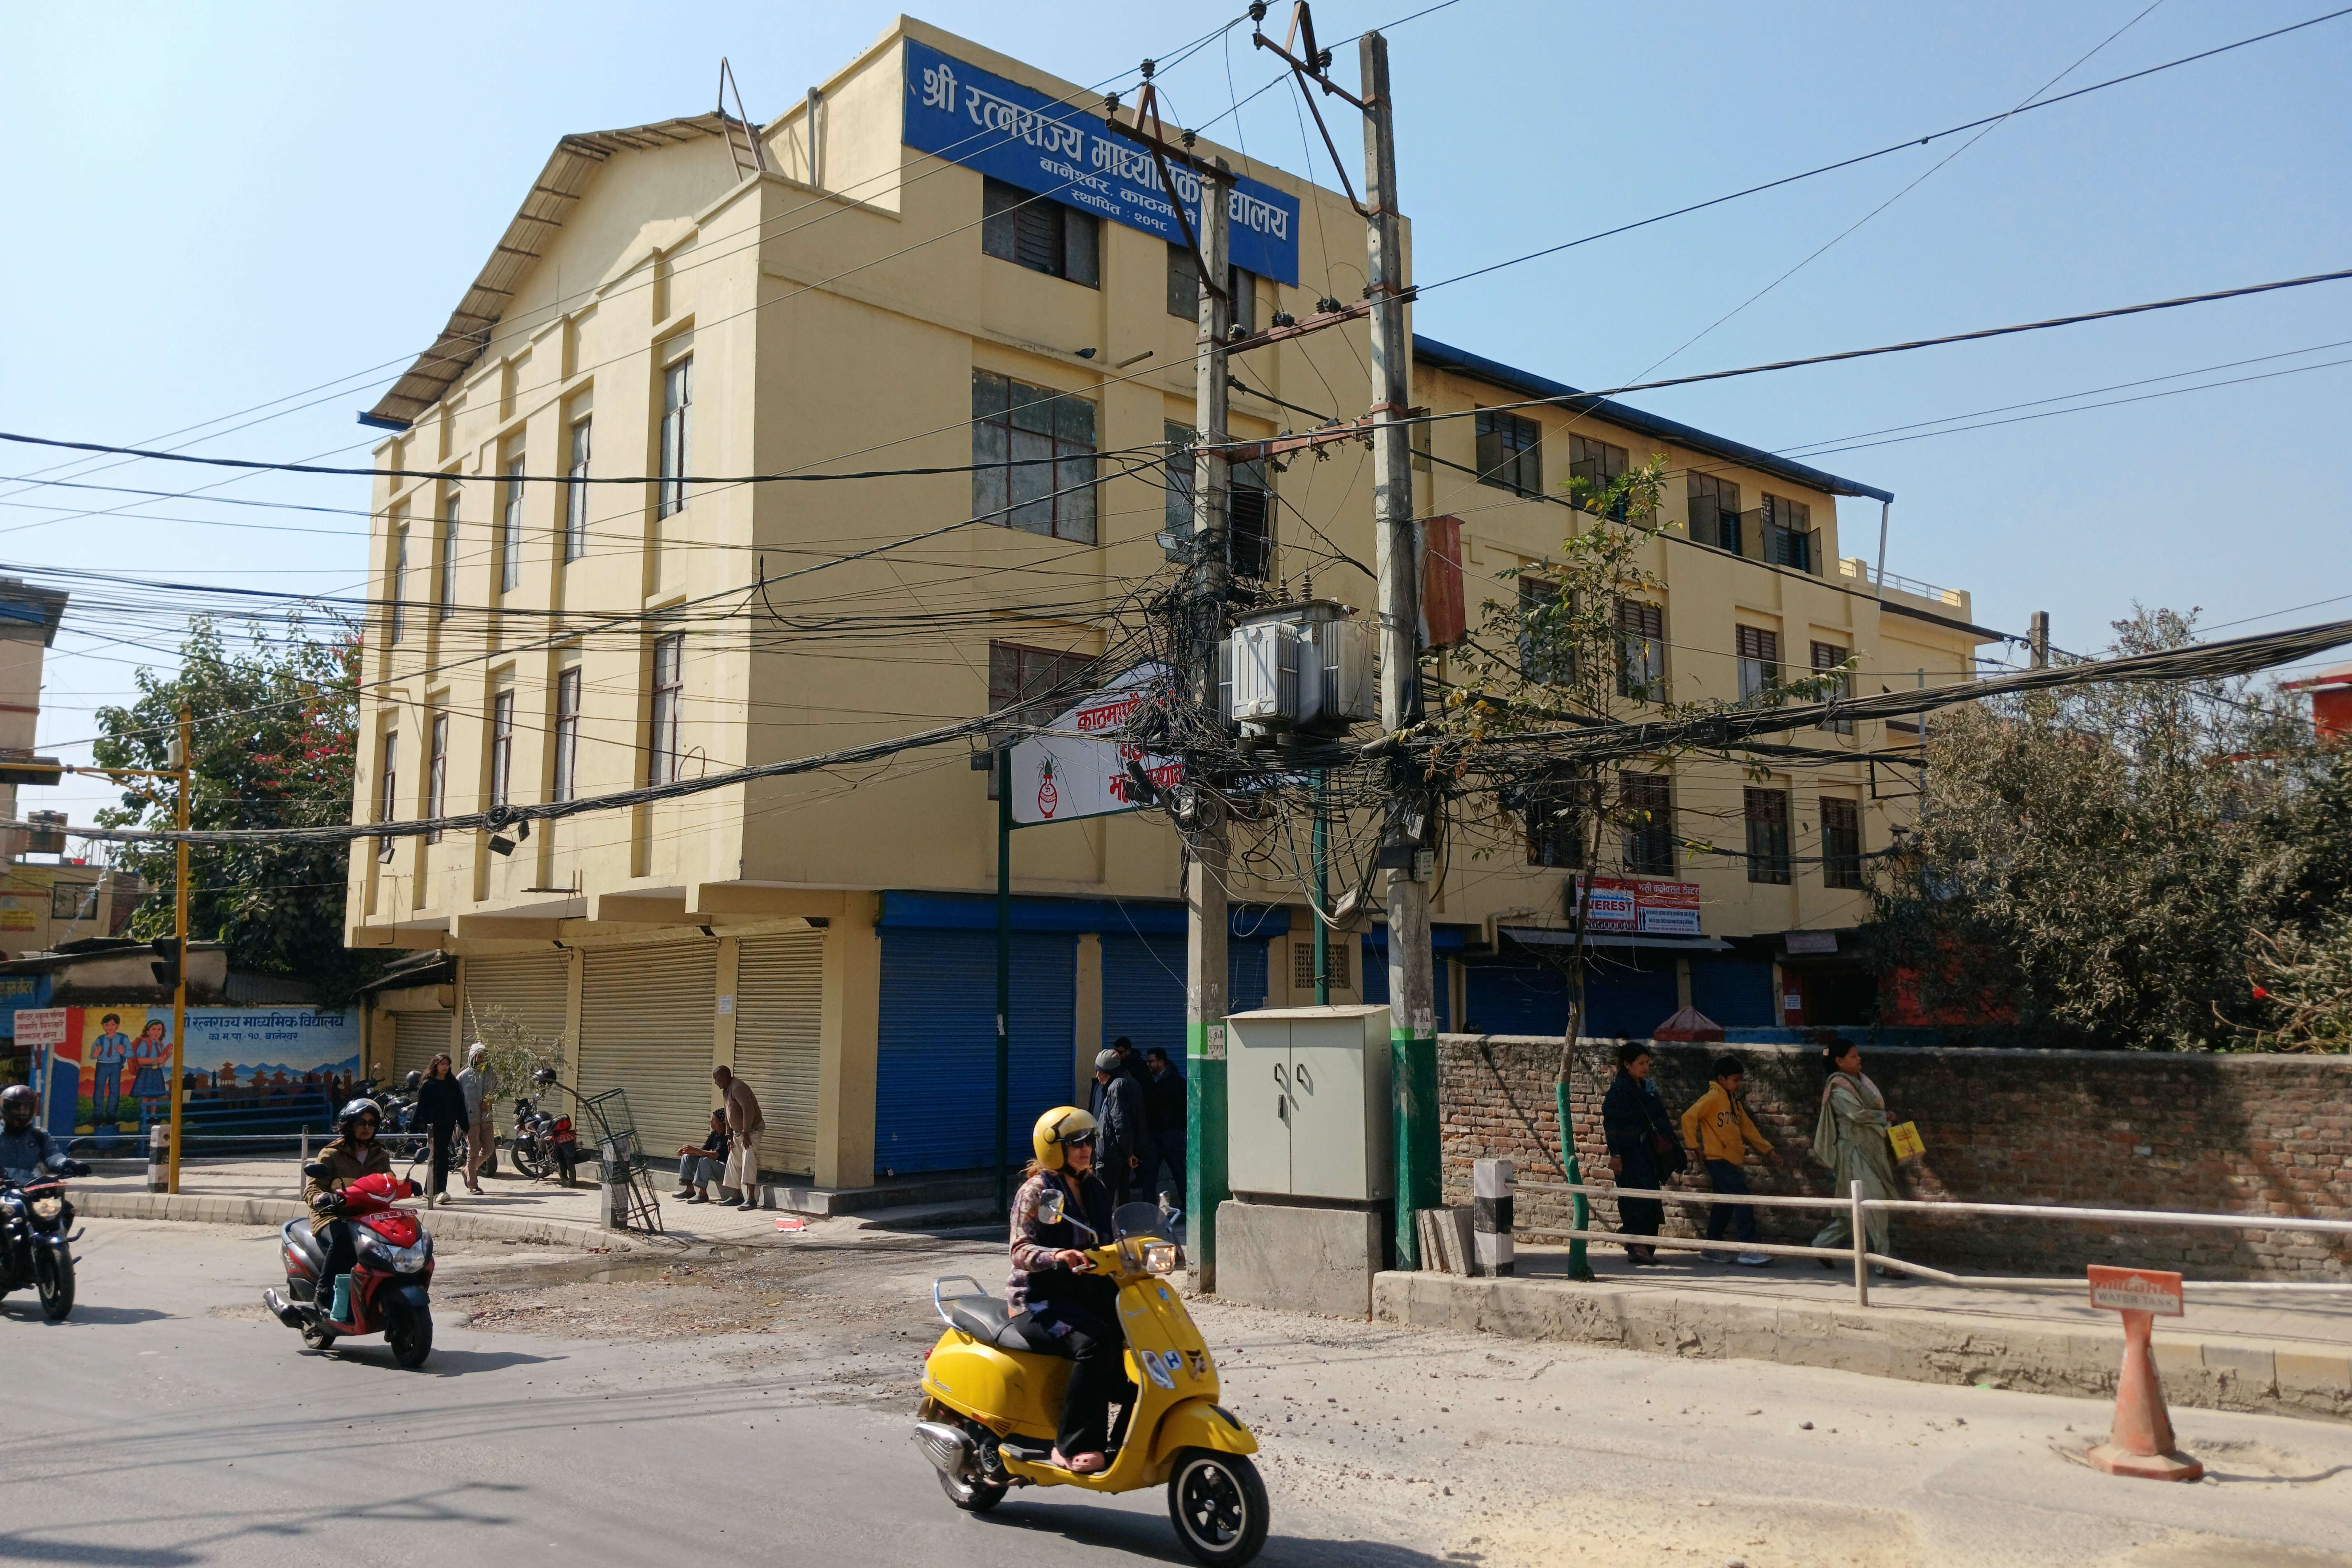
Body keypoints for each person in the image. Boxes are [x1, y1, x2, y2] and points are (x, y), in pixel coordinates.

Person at [1007, 1106, 1124, 1474]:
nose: (1086, 1149)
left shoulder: (1096, 1186)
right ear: (1053, 1147)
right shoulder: (1038, 1192)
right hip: (1038, 1299)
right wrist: (1057, 1255)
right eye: (1076, 1142)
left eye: (1089, 1140)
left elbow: (1113, 1237)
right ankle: (1069, 1444)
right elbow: (1020, 1250)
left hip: (1084, 1292)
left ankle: (1126, 1433)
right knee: (1094, 1343)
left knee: (1139, 1333)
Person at [1808, 1043, 1902, 1272]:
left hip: (1870, 1149)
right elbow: (1857, 1114)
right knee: (1874, 1201)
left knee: (1854, 1208)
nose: (1859, 1059)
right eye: (1854, 1056)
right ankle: (1884, 1260)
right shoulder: (1839, 1088)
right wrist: (1886, 1116)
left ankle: (1823, 1245)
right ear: (1839, 1061)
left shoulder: (1857, 1081)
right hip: (1854, 1154)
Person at [1680, 1053, 1780, 1267]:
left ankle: (1711, 1248)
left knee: (1724, 1205)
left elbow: (1748, 1129)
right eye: (1735, 1080)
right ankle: (1748, 1249)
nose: (1739, 1084)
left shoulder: (1734, 1102)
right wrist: (1694, 1146)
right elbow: (1689, 1117)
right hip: (1718, 1159)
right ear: (1722, 1079)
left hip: (1730, 1160)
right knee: (1743, 1200)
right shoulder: (1713, 1098)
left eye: (1740, 1079)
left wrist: (1768, 1150)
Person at [302, 1097, 394, 1325]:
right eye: (361, 1122)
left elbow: (388, 1181)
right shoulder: (331, 1153)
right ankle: (323, 1295)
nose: (367, 1128)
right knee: (344, 1240)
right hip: (333, 1215)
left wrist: (408, 1186)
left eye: (372, 1123)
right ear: (350, 1124)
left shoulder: (380, 1154)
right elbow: (312, 1187)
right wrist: (321, 1197)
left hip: (367, 1216)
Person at [1601, 1042, 1681, 1265]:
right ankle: (1637, 1246)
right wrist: (1615, 1153)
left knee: (1651, 1197)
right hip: (1629, 1154)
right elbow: (1612, 1122)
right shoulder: (1620, 1091)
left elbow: (1659, 1117)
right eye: (1641, 1063)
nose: (1646, 1067)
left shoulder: (1647, 1088)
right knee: (1635, 1200)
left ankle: (1644, 1246)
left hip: (1648, 1153)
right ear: (1627, 1065)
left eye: (1648, 1063)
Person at [1087, 1049, 1146, 1206]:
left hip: (1111, 1154)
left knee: (1104, 1199)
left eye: (1100, 1071)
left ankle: (1106, 1230)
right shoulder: (1130, 1082)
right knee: (1122, 1197)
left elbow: (1121, 1123)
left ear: (1108, 1071)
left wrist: (1128, 1153)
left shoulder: (1116, 1088)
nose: (1097, 1076)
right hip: (1122, 1153)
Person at [1, 1083, 87, 1183]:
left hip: (32, 1189)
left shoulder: (39, 1135)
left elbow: (53, 1155)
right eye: (17, 1108)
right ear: (6, 1108)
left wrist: (67, 1163)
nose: (22, 1112)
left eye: (26, 1109)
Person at [413, 1052, 466, 1207]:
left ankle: (432, 1190)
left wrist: (465, 1125)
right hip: (432, 1127)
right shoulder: (428, 1085)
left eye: (447, 1064)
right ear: (435, 1065)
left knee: (440, 1156)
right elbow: (421, 1108)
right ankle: (438, 1190)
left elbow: (460, 1106)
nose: (445, 1067)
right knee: (437, 1156)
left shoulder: (453, 1084)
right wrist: (414, 1129)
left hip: (447, 1125)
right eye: (442, 1064)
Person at [712, 1065, 764, 1211]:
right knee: (734, 1160)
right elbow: (728, 1114)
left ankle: (751, 1199)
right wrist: (729, 1135)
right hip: (738, 1132)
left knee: (748, 1159)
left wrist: (746, 1132)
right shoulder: (726, 1090)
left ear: (723, 1078)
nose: (716, 1083)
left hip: (751, 1130)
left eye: (717, 1080)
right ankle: (736, 1197)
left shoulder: (738, 1087)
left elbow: (749, 1110)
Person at [1140, 1046, 1187, 1205]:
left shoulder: (1176, 1082)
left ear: (1161, 1062)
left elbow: (1184, 1107)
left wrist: (1178, 1128)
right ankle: (1148, 1206)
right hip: (1153, 1134)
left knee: (1179, 1171)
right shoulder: (1148, 1080)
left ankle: (1188, 1203)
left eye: (1151, 1061)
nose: (1148, 1064)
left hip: (1170, 1134)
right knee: (1149, 1173)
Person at [456, 1044, 499, 1194]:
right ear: (472, 1057)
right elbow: (457, 1099)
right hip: (470, 1119)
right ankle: (473, 1185)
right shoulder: (463, 1077)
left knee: (489, 1149)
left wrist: (490, 1101)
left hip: (487, 1117)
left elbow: (497, 1091)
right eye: (479, 1056)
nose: (481, 1060)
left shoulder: (491, 1073)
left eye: (483, 1056)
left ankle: (468, 1170)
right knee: (473, 1151)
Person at [674, 1109, 730, 1203]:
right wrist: (686, 1151)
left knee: (705, 1160)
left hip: (723, 1170)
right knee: (687, 1157)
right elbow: (703, 1150)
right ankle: (690, 1190)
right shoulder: (714, 1134)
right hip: (712, 1168)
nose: (711, 1122)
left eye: (714, 1120)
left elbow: (716, 1155)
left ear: (721, 1123)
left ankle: (703, 1194)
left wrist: (695, 1150)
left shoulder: (726, 1136)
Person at [90, 1013, 132, 1122]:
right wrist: (95, 1053)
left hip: (115, 1066)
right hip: (102, 1065)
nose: (109, 1027)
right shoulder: (100, 1039)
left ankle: (111, 1115)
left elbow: (131, 1054)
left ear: (117, 1026)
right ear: (103, 1026)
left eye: (112, 1024)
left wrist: (123, 1052)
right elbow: (92, 1056)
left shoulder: (123, 1038)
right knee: (99, 1090)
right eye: (106, 1025)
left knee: (114, 1090)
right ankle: (98, 1115)